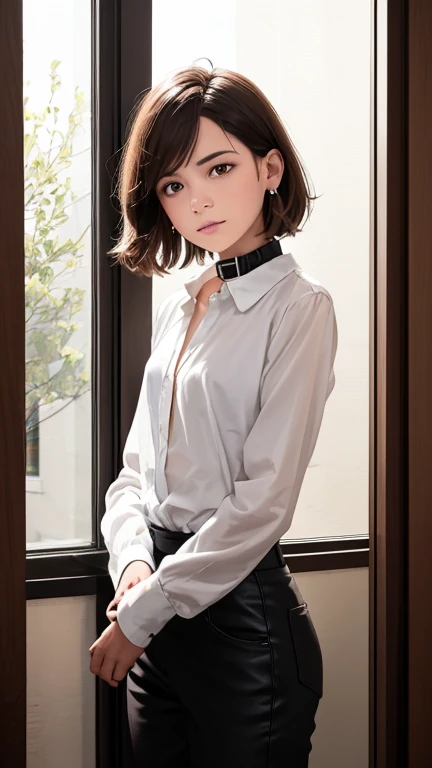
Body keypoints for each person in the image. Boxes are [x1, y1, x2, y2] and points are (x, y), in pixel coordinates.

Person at [89, 62, 338, 767]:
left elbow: (263, 502)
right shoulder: (181, 307)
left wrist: (145, 610)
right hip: (154, 619)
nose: (197, 201)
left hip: (243, 634)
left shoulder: (301, 309)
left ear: (270, 169)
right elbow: (136, 471)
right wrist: (133, 563)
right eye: (173, 184)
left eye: (218, 167)